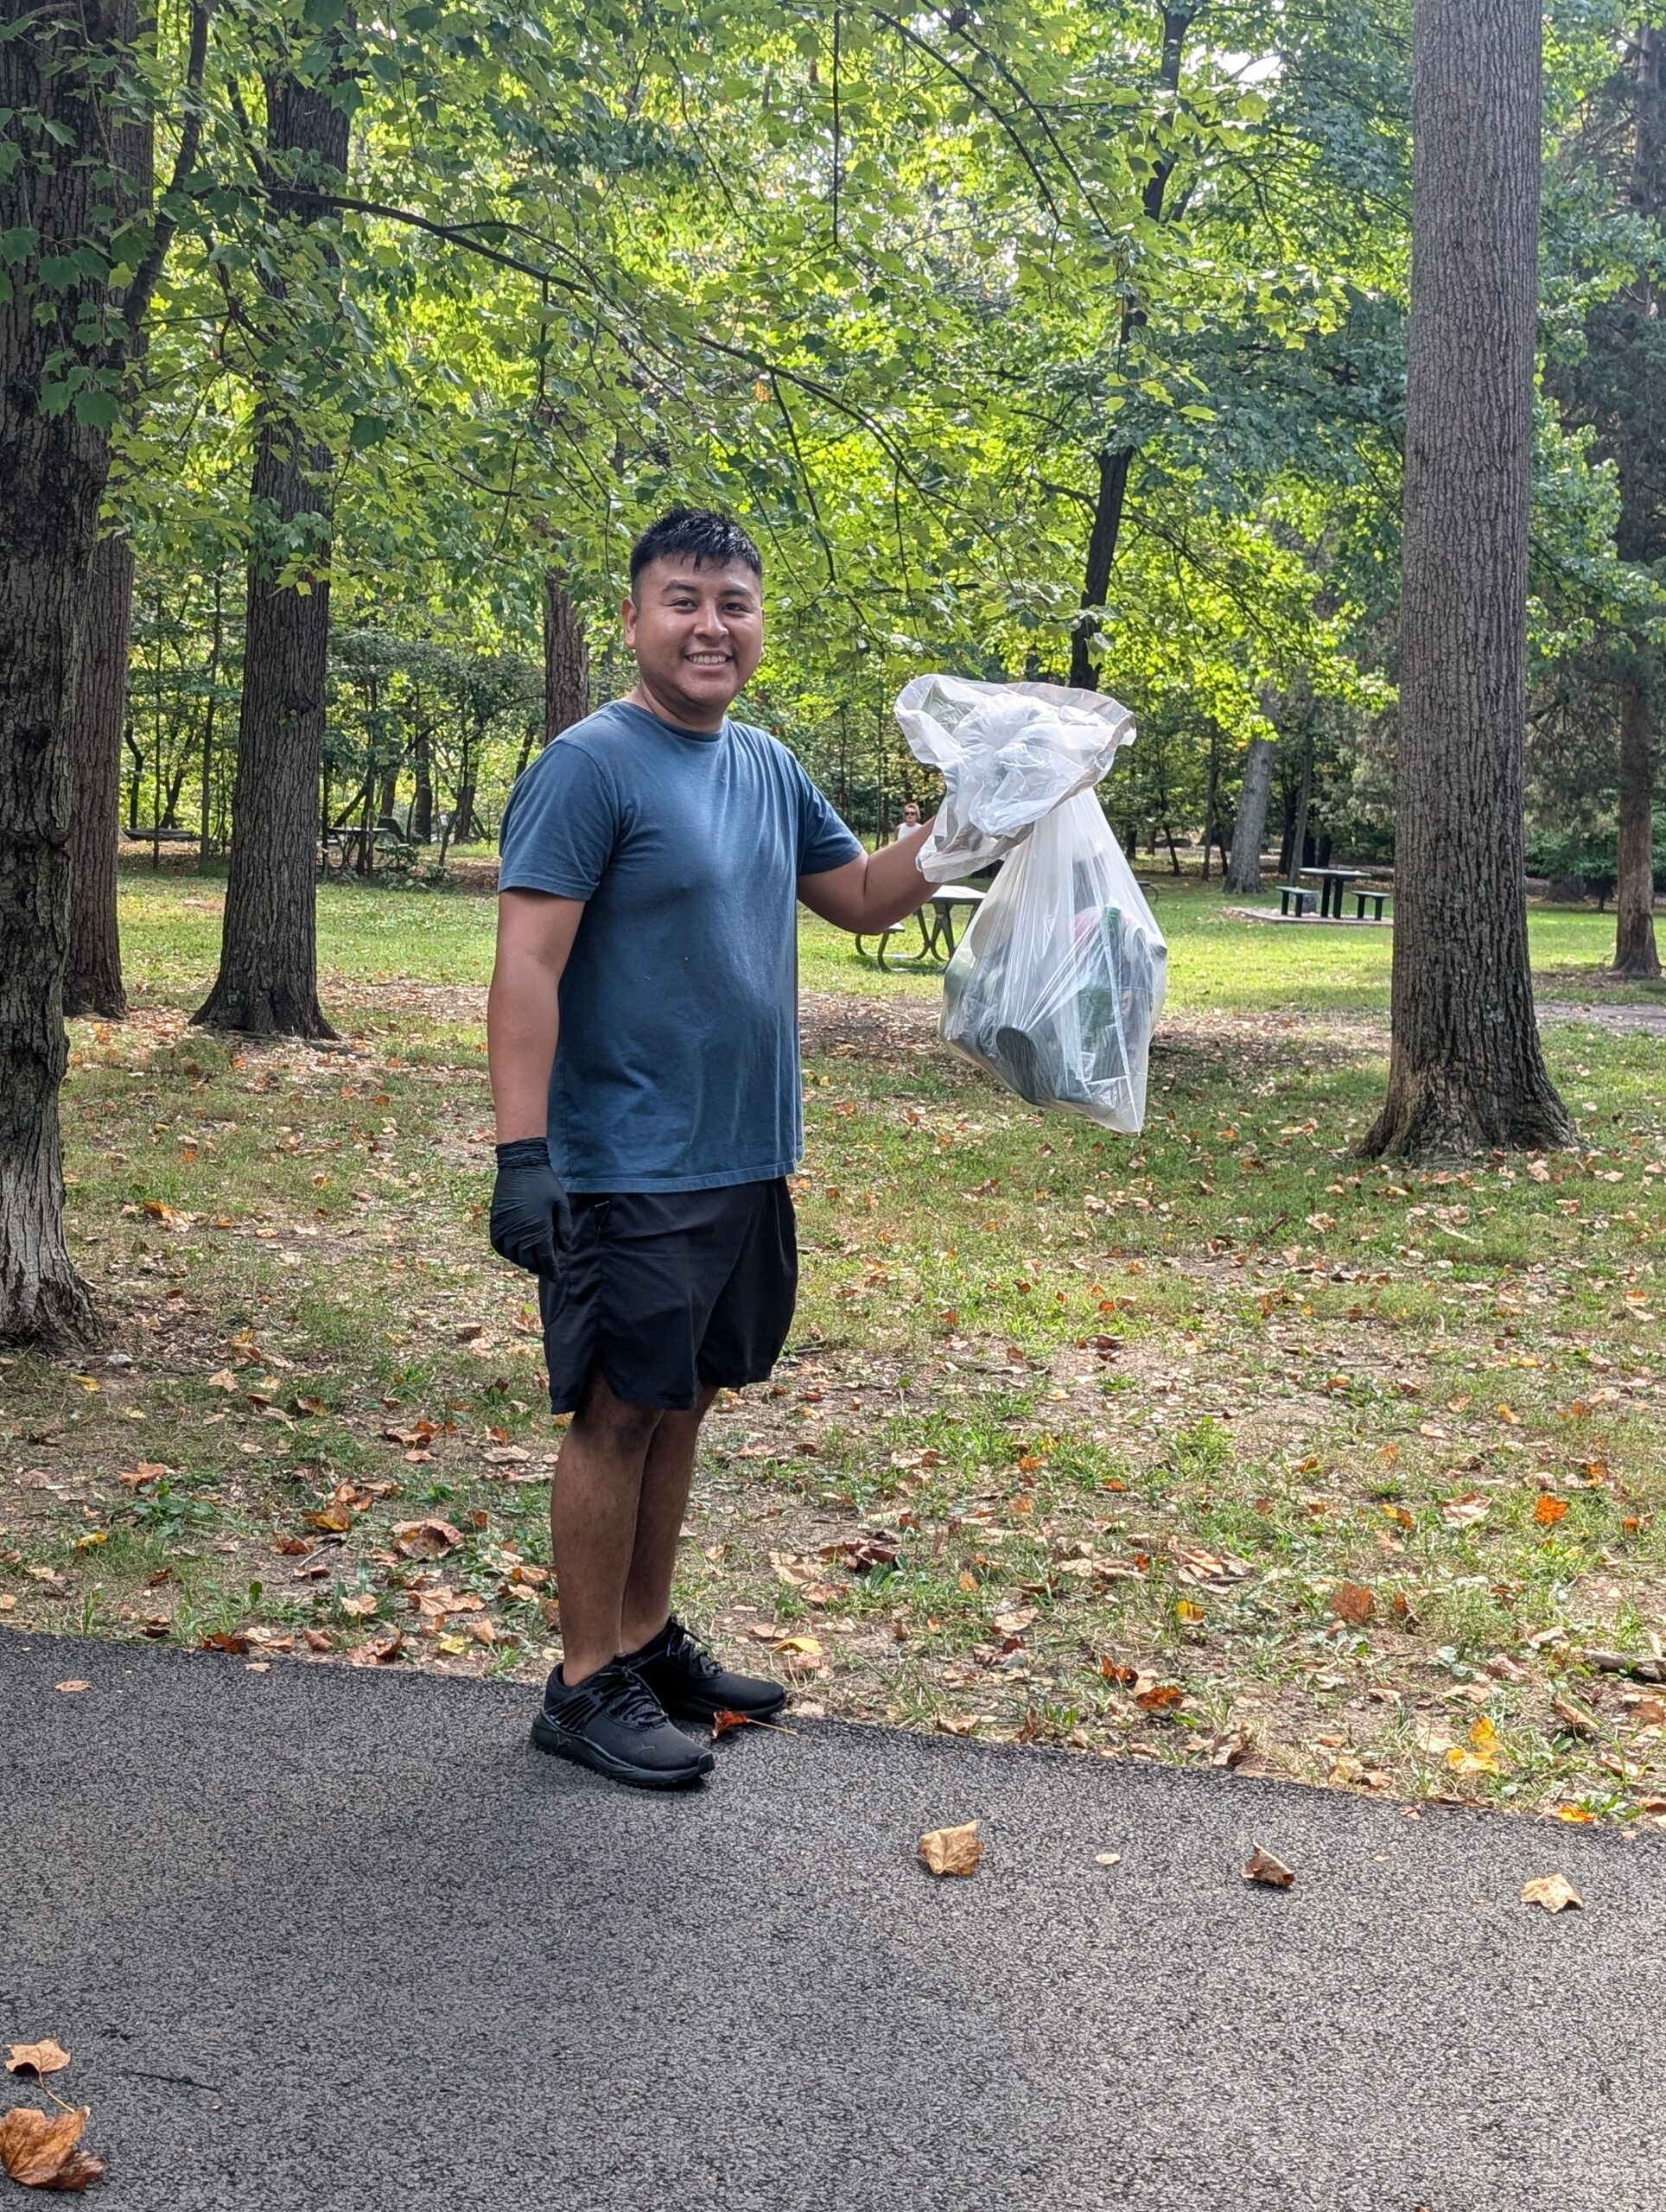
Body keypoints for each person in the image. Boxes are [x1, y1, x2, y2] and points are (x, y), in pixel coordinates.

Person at [487, 507, 935, 1790]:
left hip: (743, 1153)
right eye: (681, 599)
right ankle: (583, 1688)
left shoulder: (767, 765)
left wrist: (976, 824)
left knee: (684, 1400)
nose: (709, 624)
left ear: (757, 625)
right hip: (627, 1157)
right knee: (617, 1411)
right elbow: (527, 961)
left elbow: (859, 902)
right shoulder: (591, 764)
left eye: (732, 602)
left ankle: (640, 1640)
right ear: (633, 619)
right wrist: (525, 1155)